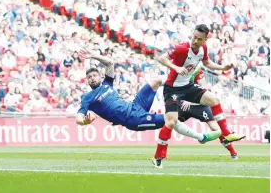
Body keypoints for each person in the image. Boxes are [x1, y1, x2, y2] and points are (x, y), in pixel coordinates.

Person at [75, 48, 221, 145]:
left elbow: (110, 63)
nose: (92, 78)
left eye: (94, 75)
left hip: (135, 105)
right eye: (89, 77)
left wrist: (93, 55)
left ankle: (182, 83)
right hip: (132, 119)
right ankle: (200, 137)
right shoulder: (88, 97)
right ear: (87, 81)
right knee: (170, 120)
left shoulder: (107, 84)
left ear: (99, 77)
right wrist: (84, 122)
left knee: (156, 80)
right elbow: (78, 118)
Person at [153, 24, 245, 168]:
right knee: (171, 122)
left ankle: (227, 135)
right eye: (194, 37)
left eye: (199, 39)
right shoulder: (182, 48)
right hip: (173, 89)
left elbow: (207, 63)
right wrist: (176, 68)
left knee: (214, 99)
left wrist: (223, 68)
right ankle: (158, 156)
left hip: (187, 87)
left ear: (205, 40)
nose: (195, 40)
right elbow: (161, 58)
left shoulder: (203, 49)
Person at [151, 65, 240, 159]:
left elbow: (203, 87)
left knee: (216, 129)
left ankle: (233, 153)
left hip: (198, 105)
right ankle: (162, 154)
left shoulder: (196, 68)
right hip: (182, 104)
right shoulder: (178, 68)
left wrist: (190, 99)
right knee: (170, 122)